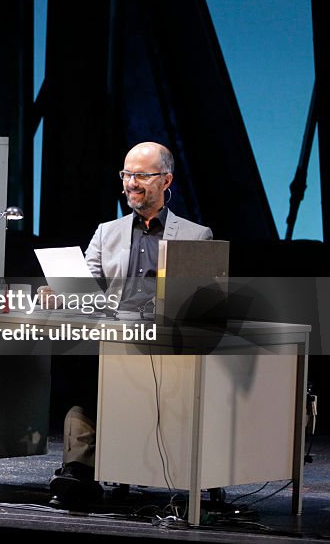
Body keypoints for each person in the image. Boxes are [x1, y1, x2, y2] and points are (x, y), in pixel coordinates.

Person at [49, 141, 213, 508]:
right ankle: (76, 474)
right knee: (85, 384)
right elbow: (86, 289)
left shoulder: (195, 236)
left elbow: (200, 305)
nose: (131, 183)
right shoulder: (108, 232)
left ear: (166, 180)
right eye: (126, 175)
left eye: (141, 175)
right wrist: (60, 291)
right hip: (113, 345)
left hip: (166, 350)